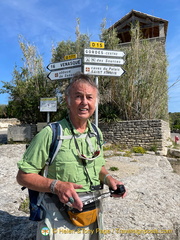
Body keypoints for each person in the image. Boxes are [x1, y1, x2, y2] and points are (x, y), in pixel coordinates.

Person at [16, 73, 126, 240]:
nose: (84, 102)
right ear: (67, 101)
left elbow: (98, 168)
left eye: (89, 97)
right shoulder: (50, 133)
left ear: (95, 102)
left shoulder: (96, 134)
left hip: (93, 214)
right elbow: (23, 177)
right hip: (57, 217)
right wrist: (56, 186)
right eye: (78, 96)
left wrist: (109, 179)